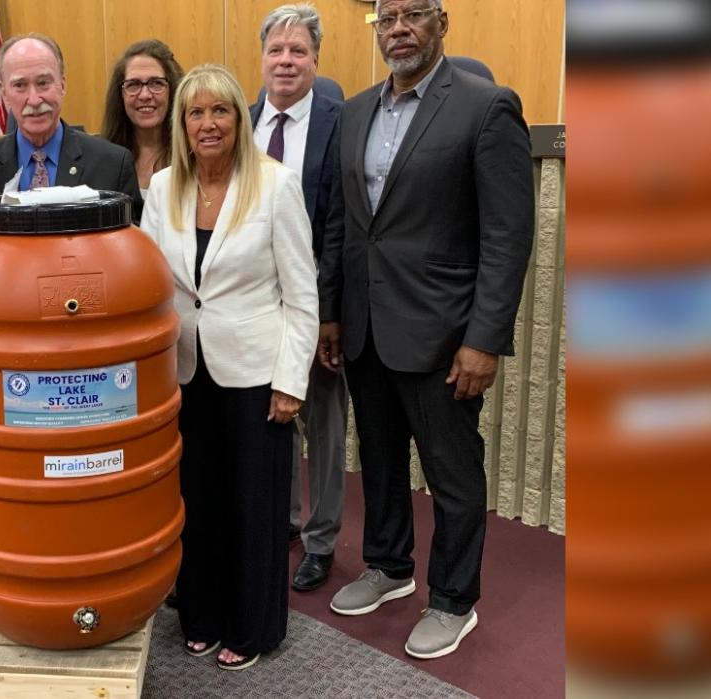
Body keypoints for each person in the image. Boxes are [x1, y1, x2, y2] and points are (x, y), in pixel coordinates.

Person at [320, 0, 533, 659]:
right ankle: (387, 565)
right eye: (387, 19)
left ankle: (452, 599)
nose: (399, 29)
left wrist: (484, 339)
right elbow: (342, 223)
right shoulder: (354, 112)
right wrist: (331, 312)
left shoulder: (485, 105)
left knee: (452, 472)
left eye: (414, 15)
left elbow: (506, 236)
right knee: (379, 459)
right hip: (365, 327)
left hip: (445, 335)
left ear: (443, 22)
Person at [141, 63, 319, 671]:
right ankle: (203, 613)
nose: (208, 123)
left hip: (256, 377)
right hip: (184, 373)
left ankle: (255, 627)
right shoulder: (163, 188)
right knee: (197, 499)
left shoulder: (275, 185)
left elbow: (302, 294)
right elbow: (150, 282)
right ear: (182, 125)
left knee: (254, 506)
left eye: (221, 110)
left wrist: (291, 382)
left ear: (238, 120)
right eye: (196, 113)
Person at [247, 3, 347, 593]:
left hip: (317, 305)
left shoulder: (341, 120)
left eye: (298, 51)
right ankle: (281, 522)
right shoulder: (244, 121)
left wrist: (328, 313)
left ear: (315, 59)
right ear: (261, 59)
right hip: (258, 306)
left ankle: (322, 538)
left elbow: (339, 226)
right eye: (276, 50)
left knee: (324, 425)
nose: (286, 61)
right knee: (270, 415)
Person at [0, 33, 143, 223]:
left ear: (62, 85)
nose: (34, 99)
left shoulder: (112, 165)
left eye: (43, 83)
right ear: (4, 94)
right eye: (20, 85)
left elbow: (129, 246)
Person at [100, 39, 184, 211]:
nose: (145, 95)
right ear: (120, 95)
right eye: (134, 85)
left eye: (156, 83)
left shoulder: (191, 156)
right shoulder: (102, 159)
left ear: (173, 90)